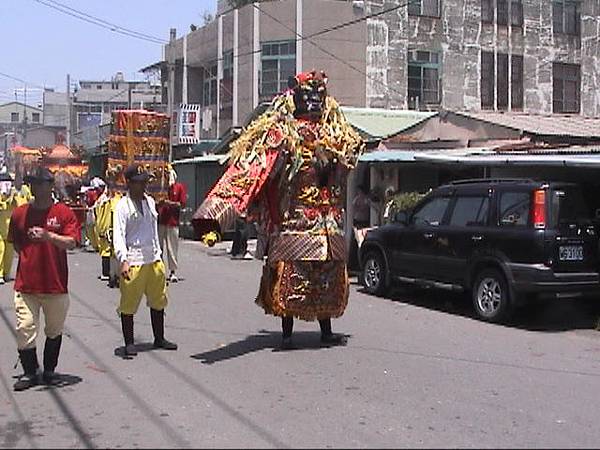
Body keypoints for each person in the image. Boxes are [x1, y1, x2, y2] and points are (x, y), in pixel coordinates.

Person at [192, 70, 364, 349]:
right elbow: (250, 169)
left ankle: (326, 329)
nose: (312, 101)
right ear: (293, 97)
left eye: (318, 95)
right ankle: (286, 333)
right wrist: (217, 214)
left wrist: (335, 158)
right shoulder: (282, 132)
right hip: (294, 220)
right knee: (290, 275)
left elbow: (350, 158)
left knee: (326, 279)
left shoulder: (336, 131)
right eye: (306, 95)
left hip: (327, 222)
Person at [8, 167, 80, 391]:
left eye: (40, 183)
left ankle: (49, 370)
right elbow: (17, 243)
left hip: (55, 285)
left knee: (54, 330)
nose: (36, 188)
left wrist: (49, 236)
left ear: (50, 186)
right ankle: (30, 372)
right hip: (26, 285)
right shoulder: (20, 213)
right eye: (33, 183)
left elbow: (72, 242)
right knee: (25, 329)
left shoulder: (63, 213)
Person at [113, 164, 177, 357]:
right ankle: (129, 342)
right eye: (139, 182)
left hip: (153, 258)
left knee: (159, 300)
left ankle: (159, 338)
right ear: (129, 183)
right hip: (134, 259)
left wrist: (159, 255)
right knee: (129, 303)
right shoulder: (122, 207)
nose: (143, 186)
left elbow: (153, 230)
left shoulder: (149, 201)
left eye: (145, 182)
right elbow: (119, 235)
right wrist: (123, 260)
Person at [157, 167, 187, 283]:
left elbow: (182, 204)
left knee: (172, 248)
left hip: (172, 223)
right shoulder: (160, 188)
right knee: (159, 248)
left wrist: (170, 203)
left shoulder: (179, 187)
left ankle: (173, 272)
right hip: (160, 222)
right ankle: (158, 271)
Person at [0, 174, 18, 284]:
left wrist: (13, 197)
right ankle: (0, 273)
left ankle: (6, 273)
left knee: (9, 254)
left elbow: (20, 205)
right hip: (0, 230)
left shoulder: (14, 194)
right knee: (1, 251)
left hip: (11, 229)